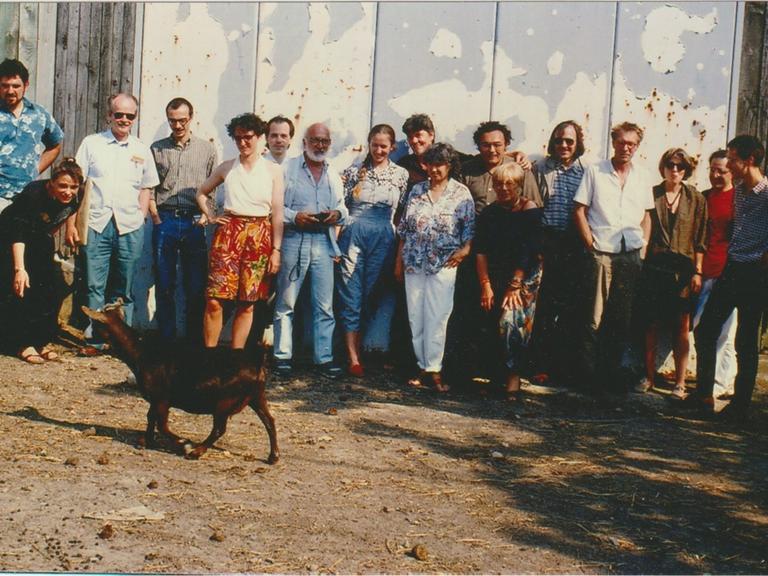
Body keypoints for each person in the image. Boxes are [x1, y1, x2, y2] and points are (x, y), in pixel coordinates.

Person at [691, 135, 768, 422]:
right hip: (732, 269)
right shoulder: (738, 192)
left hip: (755, 275)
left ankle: (740, 407)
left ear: (748, 160)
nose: (729, 164)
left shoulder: (767, 193)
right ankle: (704, 396)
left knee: (745, 341)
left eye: (733, 159)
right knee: (706, 329)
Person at [573, 121, 653, 394]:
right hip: (601, 253)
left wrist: (642, 246)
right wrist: (589, 242)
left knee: (622, 318)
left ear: (637, 147)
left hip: (629, 254)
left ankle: (611, 377)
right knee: (594, 317)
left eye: (631, 143)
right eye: (621, 142)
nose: (626, 148)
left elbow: (647, 215)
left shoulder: (642, 176)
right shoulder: (596, 171)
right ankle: (588, 378)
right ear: (613, 143)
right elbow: (579, 210)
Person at [195, 113, 283, 354]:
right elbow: (201, 193)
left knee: (248, 302)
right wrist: (212, 215)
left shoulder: (273, 171)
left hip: (259, 236)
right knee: (214, 299)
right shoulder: (227, 168)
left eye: (248, 137)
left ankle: (235, 359)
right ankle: (209, 358)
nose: (243, 143)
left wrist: (276, 250)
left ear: (259, 137)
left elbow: (277, 212)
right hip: (228, 234)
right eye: (238, 138)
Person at [75, 93, 160, 339]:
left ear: (134, 118)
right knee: (94, 284)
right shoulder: (92, 144)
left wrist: (141, 216)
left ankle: (123, 340)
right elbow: (79, 182)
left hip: (129, 226)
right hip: (97, 223)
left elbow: (147, 186)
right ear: (109, 115)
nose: (123, 119)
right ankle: (97, 337)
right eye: (118, 114)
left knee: (124, 287)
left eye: (129, 115)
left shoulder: (141, 149)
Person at [395, 143, 474, 392]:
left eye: (440, 164)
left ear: (449, 166)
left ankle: (435, 369)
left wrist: (464, 251)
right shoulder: (416, 190)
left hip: (443, 264)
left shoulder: (461, 194)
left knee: (438, 317)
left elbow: (469, 231)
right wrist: (398, 262)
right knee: (415, 315)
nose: (435, 169)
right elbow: (404, 231)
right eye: (431, 164)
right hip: (414, 262)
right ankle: (421, 365)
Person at [273, 122, 348, 378]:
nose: (320, 146)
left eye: (324, 141)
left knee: (324, 305)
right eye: (315, 140)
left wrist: (337, 214)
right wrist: (295, 217)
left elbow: (344, 209)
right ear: (304, 142)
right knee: (286, 302)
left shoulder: (333, 173)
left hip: (324, 242)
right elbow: (274, 206)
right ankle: (282, 357)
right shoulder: (287, 169)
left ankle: (323, 358)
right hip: (294, 239)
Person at [635, 148, 707, 399]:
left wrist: (698, 271)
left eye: (680, 166)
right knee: (650, 324)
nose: (675, 170)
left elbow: (700, 238)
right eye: (670, 165)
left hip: (683, 272)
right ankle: (649, 377)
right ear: (663, 167)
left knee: (681, 326)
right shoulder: (652, 194)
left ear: (686, 170)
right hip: (654, 268)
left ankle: (679, 382)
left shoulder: (696, 198)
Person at [337, 124, 408, 377]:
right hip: (354, 232)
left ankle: (356, 348)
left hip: (384, 236)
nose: (378, 150)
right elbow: (341, 207)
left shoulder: (401, 175)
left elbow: (402, 212)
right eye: (375, 145)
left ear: (392, 147)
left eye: (384, 146)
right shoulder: (354, 171)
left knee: (372, 292)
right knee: (350, 291)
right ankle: (352, 357)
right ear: (369, 144)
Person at [0, 158, 82, 362]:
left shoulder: (72, 198)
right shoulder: (32, 195)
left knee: (48, 288)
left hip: (38, 236)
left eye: (73, 186)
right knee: (21, 287)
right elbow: (17, 232)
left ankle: (39, 341)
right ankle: (21, 344)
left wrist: (69, 228)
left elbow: (65, 214)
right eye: (62, 185)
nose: (68, 191)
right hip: (11, 239)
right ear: (51, 183)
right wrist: (19, 269)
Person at [150, 97, 217, 343]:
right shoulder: (157, 148)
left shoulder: (207, 149)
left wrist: (205, 216)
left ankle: (192, 341)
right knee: (164, 282)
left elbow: (213, 187)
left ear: (191, 117)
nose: (177, 125)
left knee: (195, 285)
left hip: (193, 223)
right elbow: (149, 186)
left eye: (182, 120)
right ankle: (166, 341)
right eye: (172, 120)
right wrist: (155, 216)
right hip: (165, 220)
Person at [474, 162, 542, 400]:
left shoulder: (529, 210)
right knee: (490, 320)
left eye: (509, 183)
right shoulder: (489, 213)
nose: (504, 188)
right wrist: (486, 286)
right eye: (499, 183)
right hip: (495, 274)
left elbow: (529, 250)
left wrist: (515, 285)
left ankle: (513, 379)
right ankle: (495, 377)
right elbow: (480, 251)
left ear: (520, 185)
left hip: (523, 276)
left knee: (512, 322)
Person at [529, 120, 587, 386]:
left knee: (572, 308)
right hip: (546, 240)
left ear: (577, 144)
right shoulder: (540, 167)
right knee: (543, 306)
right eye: (559, 140)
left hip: (574, 243)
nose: (564, 145)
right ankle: (539, 364)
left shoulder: (586, 172)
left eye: (569, 141)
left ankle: (563, 367)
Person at [691, 150, 737, 399]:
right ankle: (705, 383)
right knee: (700, 326)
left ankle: (722, 382)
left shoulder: (738, 198)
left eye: (722, 171)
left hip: (726, 270)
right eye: (712, 169)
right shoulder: (703, 197)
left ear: (732, 173)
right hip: (702, 268)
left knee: (725, 332)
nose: (716, 175)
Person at [0, 58, 63, 212]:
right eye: (5, 86)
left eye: (16, 86)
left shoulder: (39, 115)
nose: (10, 91)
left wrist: (35, 169)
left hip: (27, 195)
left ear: (26, 85)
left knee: (21, 236)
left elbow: (55, 144)